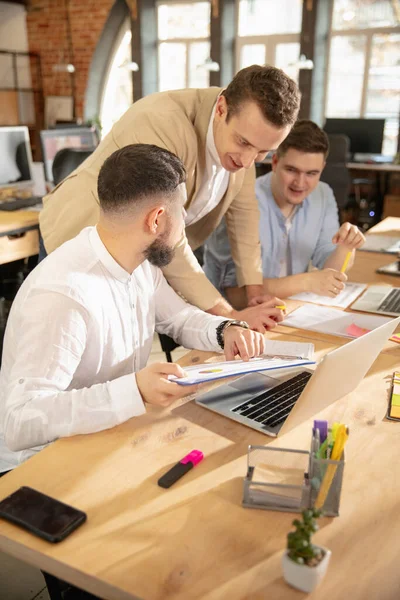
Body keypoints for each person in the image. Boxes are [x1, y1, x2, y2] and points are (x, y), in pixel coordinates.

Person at [0, 145, 266, 473]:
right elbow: (20, 420)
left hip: (108, 438)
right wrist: (134, 390)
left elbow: (178, 317)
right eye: (181, 212)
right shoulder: (64, 295)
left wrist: (225, 330)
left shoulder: (138, 261)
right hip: (41, 470)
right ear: (156, 219)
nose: (183, 224)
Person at [39, 65, 301, 332]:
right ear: (221, 108)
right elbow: (165, 232)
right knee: (64, 345)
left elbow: (244, 217)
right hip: (79, 238)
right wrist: (229, 314)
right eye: (243, 143)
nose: (248, 161)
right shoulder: (163, 124)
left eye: (263, 152)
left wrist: (253, 292)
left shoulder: (246, 140)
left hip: (135, 259)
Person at [203, 120, 366, 308]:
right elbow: (236, 296)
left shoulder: (323, 194)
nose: (300, 183)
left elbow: (329, 273)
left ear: (322, 169)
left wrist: (345, 248)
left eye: (312, 173)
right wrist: (307, 282)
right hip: (227, 317)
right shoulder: (241, 201)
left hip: (287, 312)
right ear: (274, 162)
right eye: (291, 170)